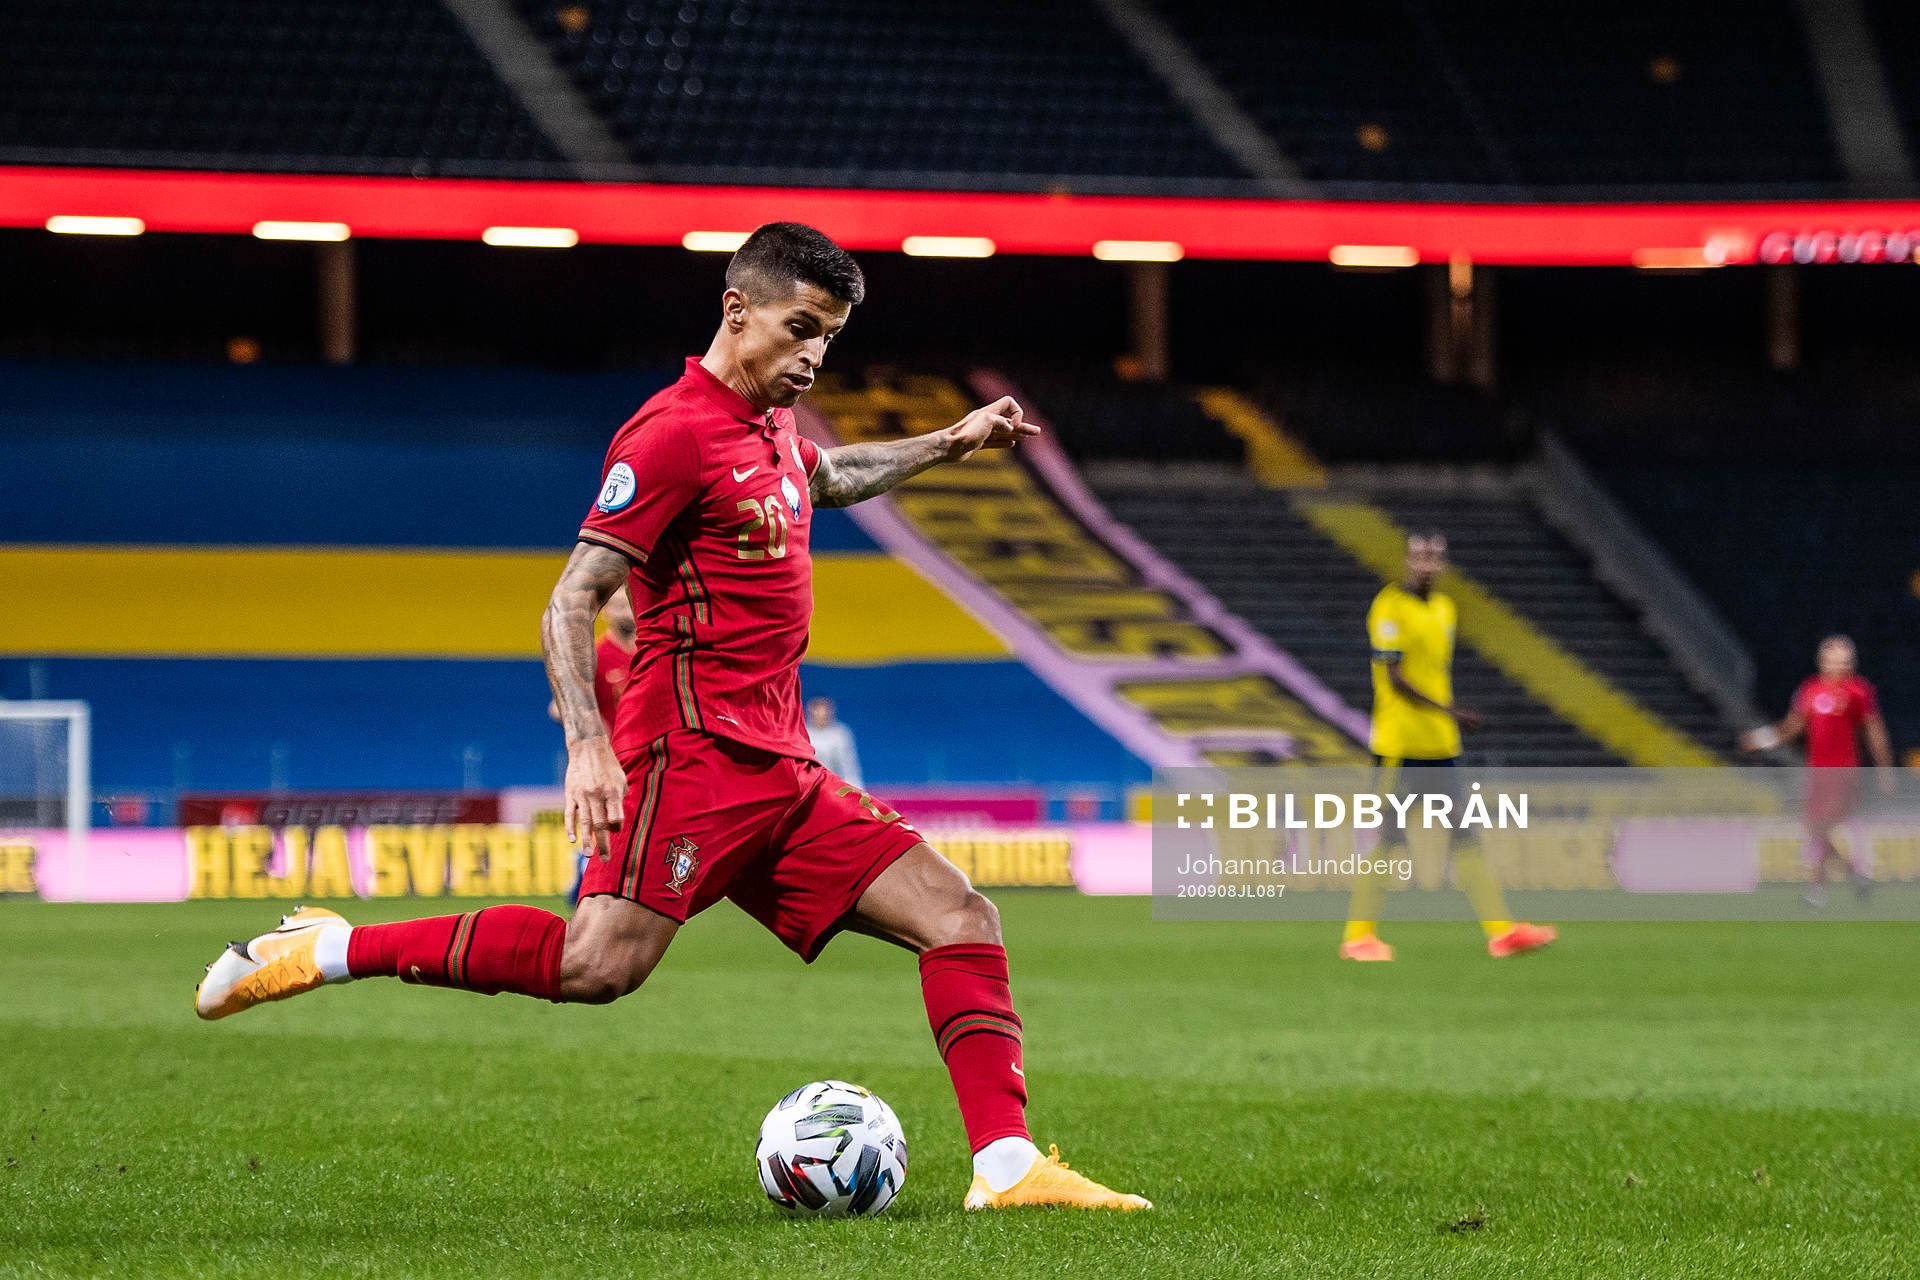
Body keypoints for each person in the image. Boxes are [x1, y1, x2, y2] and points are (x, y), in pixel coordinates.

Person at [194, 222, 1149, 1212]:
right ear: (738, 311)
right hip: (689, 756)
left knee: (961, 916)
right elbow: (571, 597)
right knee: (596, 964)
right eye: (801, 328)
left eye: (830, 337)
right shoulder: (671, 433)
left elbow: (827, 478)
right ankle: (329, 947)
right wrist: (588, 745)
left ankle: (1006, 1167)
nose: (815, 356)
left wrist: (949, 443)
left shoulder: (773, 428)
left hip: (781, 763)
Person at [1341, 530, 1557, 962]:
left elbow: (1433, 671)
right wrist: (1449, 710)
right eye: (1419, 556)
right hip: (1400, 746)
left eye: (1434, 557)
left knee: (1465, 834)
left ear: (1442, 563)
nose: (1427, 564)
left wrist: (1446, 719)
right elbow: (1394, 679)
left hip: (1441, 746)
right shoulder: (1389, 607)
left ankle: (1501, 932)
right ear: (1407, 560)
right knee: (1388, 838)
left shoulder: (1444, 608)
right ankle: (1358, 936)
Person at [1741, 634, 1895, 905]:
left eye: (1846, 661)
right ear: (1822, 660)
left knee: (1820, 827)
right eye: (1835, 660)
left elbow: (1875, 731)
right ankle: (1851, 876)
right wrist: (1761, 739)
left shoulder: (1858, 691)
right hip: (1816, 774)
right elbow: (1792, 728)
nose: (1841, 666)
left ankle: (1818, 890)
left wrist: (1885, 770)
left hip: (1844, 773)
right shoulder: (1810, 690)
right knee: (1816, 830)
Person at [547, 587, 638, 904]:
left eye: (628, 604)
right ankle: (587, 880)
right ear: (605, 611)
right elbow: (557, 707)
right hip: (610, 761)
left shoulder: (651, 652)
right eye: (616, 605)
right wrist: (596, 733)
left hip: (647, 757)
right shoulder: (597, 654)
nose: (624, 611)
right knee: (609, 828)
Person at [805, 696, 863, 789]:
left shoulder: (841, 734)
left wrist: (856, 789)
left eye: (824, 711)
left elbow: (848, 765)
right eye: (817, 711)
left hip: (834, 787)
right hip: (808, 787)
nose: (821, 715)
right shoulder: (802, 733)